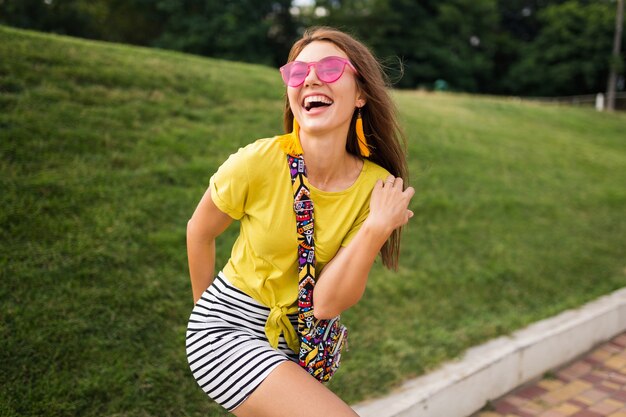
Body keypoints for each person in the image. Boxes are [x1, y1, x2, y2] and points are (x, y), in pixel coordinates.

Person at [185, 26, 415, 417]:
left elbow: (327, 303)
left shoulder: (376, 187)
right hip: (226, 327)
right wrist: (203, 311)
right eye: (297, 72)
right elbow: (200, 231)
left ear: (361, 94)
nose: (309, 78)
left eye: (329, 68)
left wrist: (376, 229)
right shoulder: (258, 161)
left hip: (298, 338)